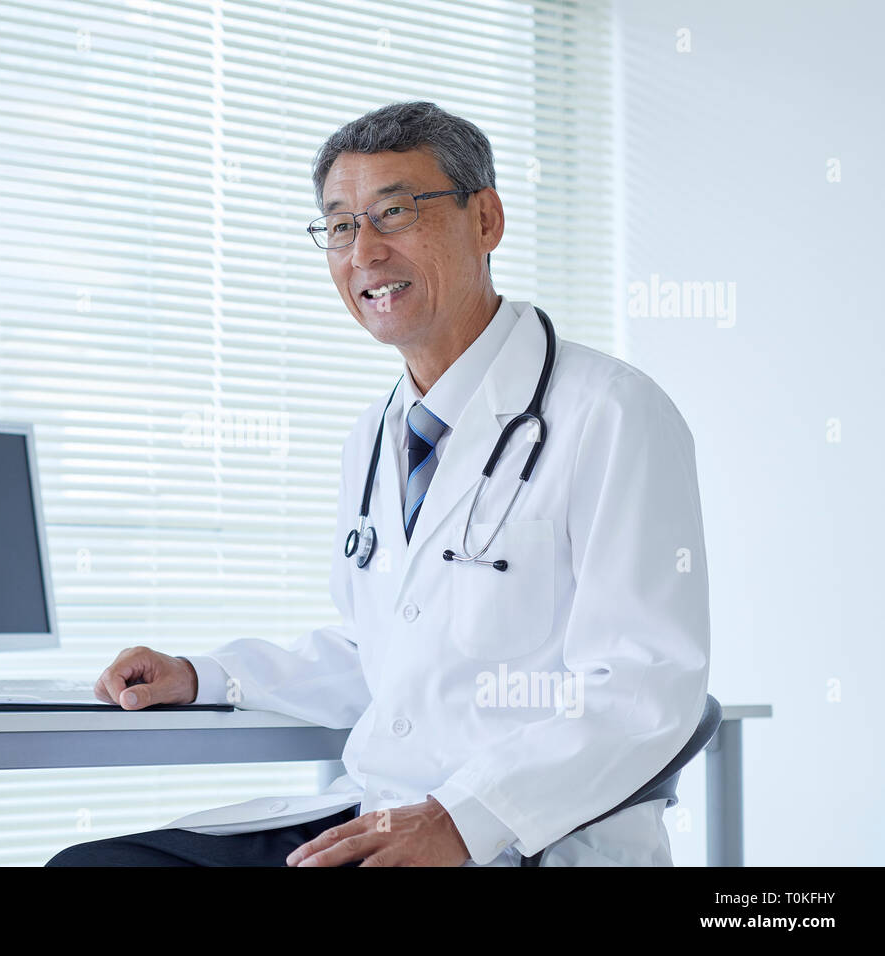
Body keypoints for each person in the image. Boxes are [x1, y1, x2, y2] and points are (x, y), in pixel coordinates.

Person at [46, 101, 708, 867]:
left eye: (394, 213)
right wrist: (205, 676)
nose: (363, 252)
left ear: (486, 219)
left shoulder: (611, 413)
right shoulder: (377, 432)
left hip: (527, 839)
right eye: (338, 225)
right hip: (382, 817)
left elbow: (643, 685)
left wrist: (466, 820)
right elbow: (383, 650)